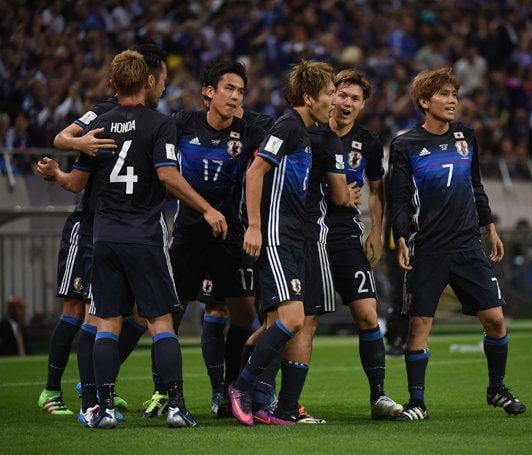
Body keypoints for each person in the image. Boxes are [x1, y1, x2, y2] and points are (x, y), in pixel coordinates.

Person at [40, 50, 224, 429]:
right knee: (160, 323)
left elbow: (75, 183)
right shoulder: (159, 124)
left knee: (107, 321)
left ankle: (102, 408)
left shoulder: (99, 128)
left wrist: (59, 170)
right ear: (147, 82)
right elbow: (169, 177)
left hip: (104, 238)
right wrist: (206, 208)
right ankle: (175, 406)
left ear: (112, 85)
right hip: (143, 236)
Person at [36, 42, 166, 417]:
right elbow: (65, 144)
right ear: (147, 81)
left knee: (126, 311)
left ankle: (94, 387)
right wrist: (78, 146)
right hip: (91, 225)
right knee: (82, 309)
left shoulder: (146, 122)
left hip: (121, 229)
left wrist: (59, 170)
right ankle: (58, 392)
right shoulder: (103, 115)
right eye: (160, 82)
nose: (162, 88)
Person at [388, 67, 526, 421]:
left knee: (495, 319)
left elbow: (475, 185)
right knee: (419, 326)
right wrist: (401, 237)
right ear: (423, 101)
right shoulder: (405, 144)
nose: (452, 101)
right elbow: (399, 199)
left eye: (454, 94)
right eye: (444, 95)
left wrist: (489, 226)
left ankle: (497, 388)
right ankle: (417, 403)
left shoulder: (467, 136)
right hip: (428, 248)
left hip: (467, 245)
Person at [228, 60, 336, 426]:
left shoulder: (304, 134)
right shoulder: (288, 126)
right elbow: (255, 172)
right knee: (293, 318)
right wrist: (255, 226)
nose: (334, 101)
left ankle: (259, 401)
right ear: (309, 97)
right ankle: (241, 387)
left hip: (291, 238)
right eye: (330, 94)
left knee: (274, 322)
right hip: (274, 236)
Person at [161, 58, 266, 418]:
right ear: (209, 92)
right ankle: (164, 393)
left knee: (242, 314)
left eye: (241, 91)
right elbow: (160, 166)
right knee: (168, 313)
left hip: (231, 236)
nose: (236, 97)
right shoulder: (180, 124)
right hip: (189, 234)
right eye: (229, 89)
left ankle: (228, 391)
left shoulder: (251, 129)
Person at [326, 68, 403, 419]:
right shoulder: (309, 132)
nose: (347, 102)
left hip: (345, 231)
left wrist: (375, 232)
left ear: (362, 105)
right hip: (306, 231)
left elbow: (375, 190)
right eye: (343, 94)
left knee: (368, 314)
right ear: (331, 94)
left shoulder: (368, 143)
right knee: (300, 320)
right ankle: (277, 399)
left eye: (355, 98)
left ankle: (379, 397)